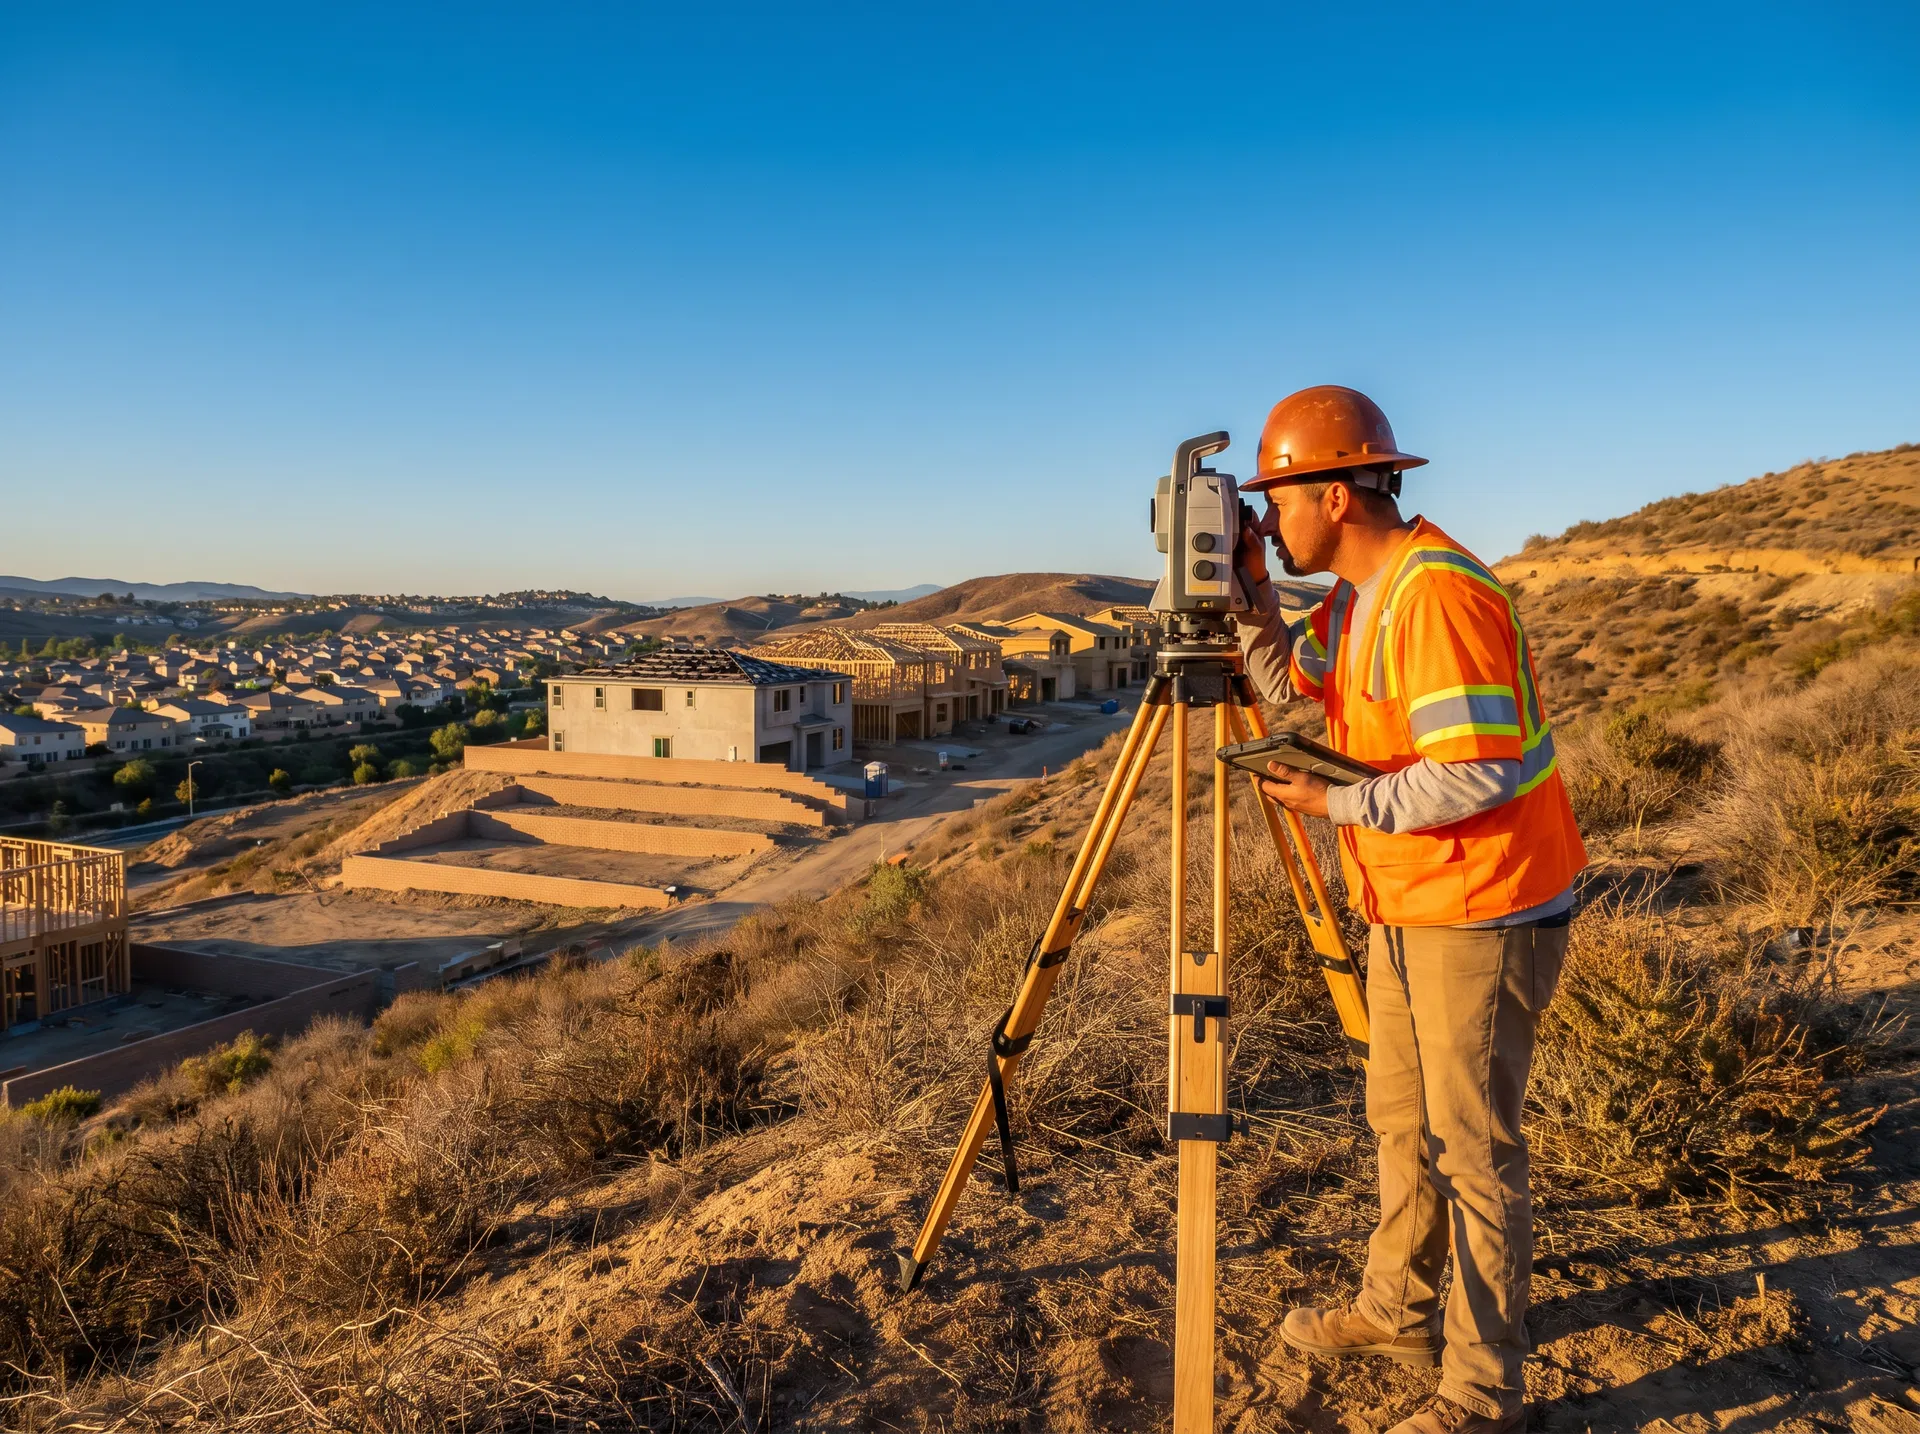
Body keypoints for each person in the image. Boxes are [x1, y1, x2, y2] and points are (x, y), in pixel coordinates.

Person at [1230, 386, 1587, 1434]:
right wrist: (1253, 602)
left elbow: (1473, 773)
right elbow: (1296, 695)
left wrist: (1336, 803)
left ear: (1335, 494)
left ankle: (1482, 1394)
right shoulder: (1353, 599)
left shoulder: (1437, 593)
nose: (1267, 523)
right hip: (1403, 899)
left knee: (1474, 1153)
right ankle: (1399, 1308)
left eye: (1276, 503)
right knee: (1402, 1124)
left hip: (1483, 905)